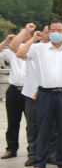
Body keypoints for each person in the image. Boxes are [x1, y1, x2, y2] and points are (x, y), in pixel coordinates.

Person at [15, 21, 62, 168]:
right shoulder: (39, 48)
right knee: (42, 128)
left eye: (59, 30)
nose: (56, 32)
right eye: (53, 30)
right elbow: (20, 54)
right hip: (44, 94)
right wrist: (33, 38)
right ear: (48, 32)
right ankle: (39, 163)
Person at [1, 32, 26, 160]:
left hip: (30, 91)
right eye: (20, 34)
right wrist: (6, 41)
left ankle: (33, 151)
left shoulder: (35, 49)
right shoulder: (10, 51)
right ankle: (11, 148)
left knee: (33, 123)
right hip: (14, 90)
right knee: (12, 122)